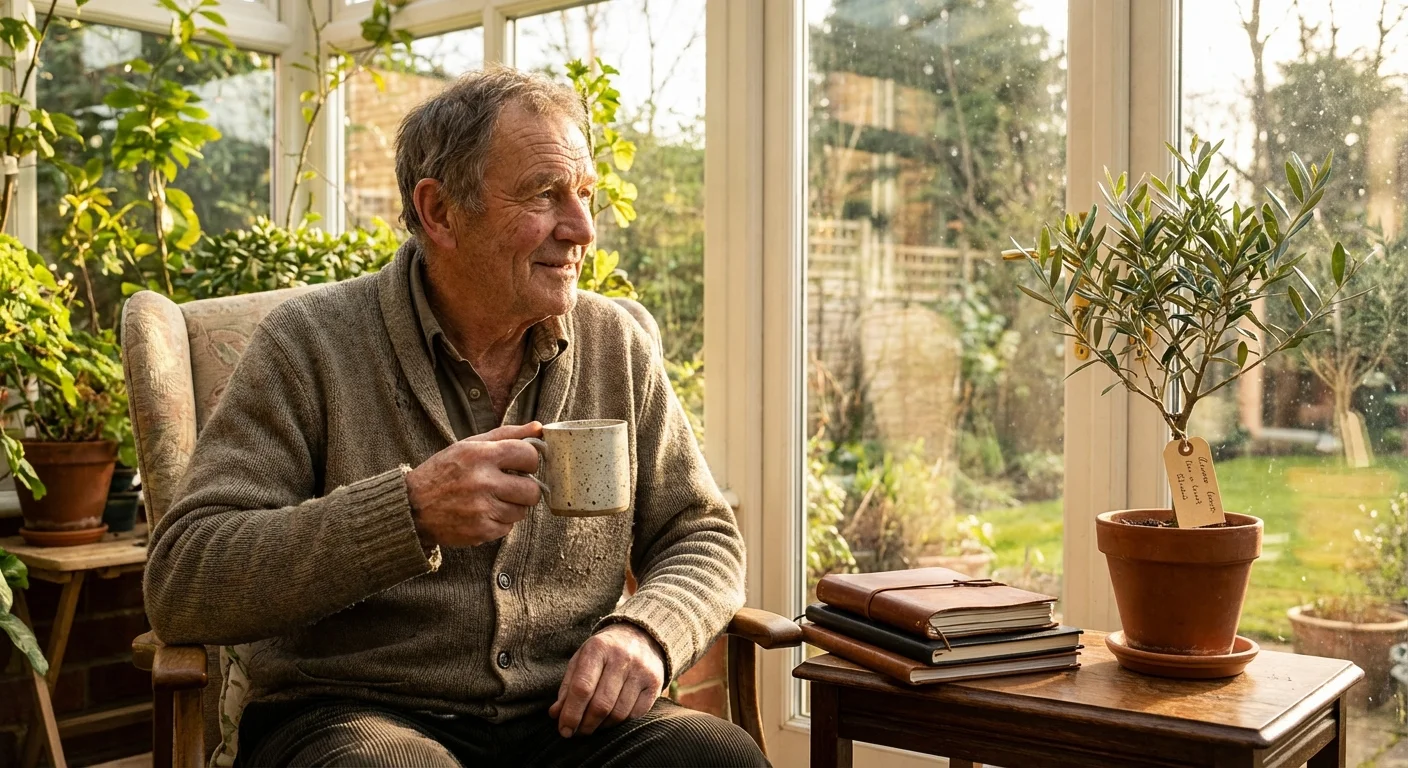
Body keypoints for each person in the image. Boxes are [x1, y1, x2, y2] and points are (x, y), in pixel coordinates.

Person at [143, 64, 764, 767]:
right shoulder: (308, 344)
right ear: (439, 212)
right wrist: (407, 513)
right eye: (544, 195)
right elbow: (185, 578)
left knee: (717, 758)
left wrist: (647, 632)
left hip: (567, 717)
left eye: (585, 194)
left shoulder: (614, 342)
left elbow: (702, 535)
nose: (583, 228)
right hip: (356, 715)